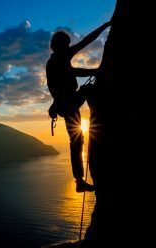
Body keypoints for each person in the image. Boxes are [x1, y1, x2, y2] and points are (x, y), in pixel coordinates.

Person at [46, 21, 111, 192]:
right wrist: (95, 71)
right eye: (65, 44)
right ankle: (79, 180)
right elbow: (74, 70)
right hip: (68, 103)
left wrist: (105, 26)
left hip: (67, 101)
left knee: (76, 138)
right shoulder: (58, 59)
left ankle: (79, 180)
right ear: (58, 46)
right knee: (76, 139)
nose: (68, 47)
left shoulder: (57, 58)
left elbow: (86, 42)